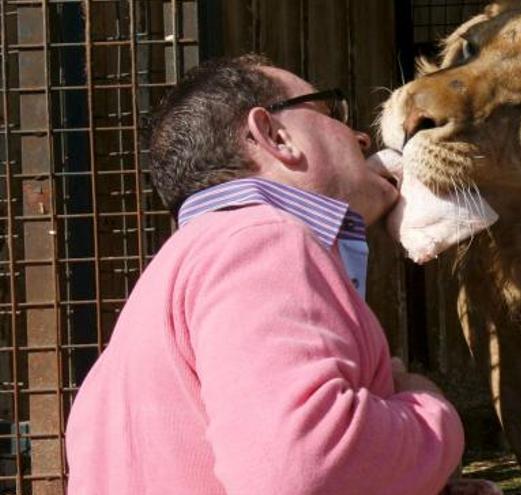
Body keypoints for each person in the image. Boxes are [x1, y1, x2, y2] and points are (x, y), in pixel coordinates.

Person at [65, 55, 467, 495]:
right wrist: (428, 408)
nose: (361, 135)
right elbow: (303, 465)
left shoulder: (172, 278)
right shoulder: (262, 240)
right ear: (275, 136)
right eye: (331, 112)